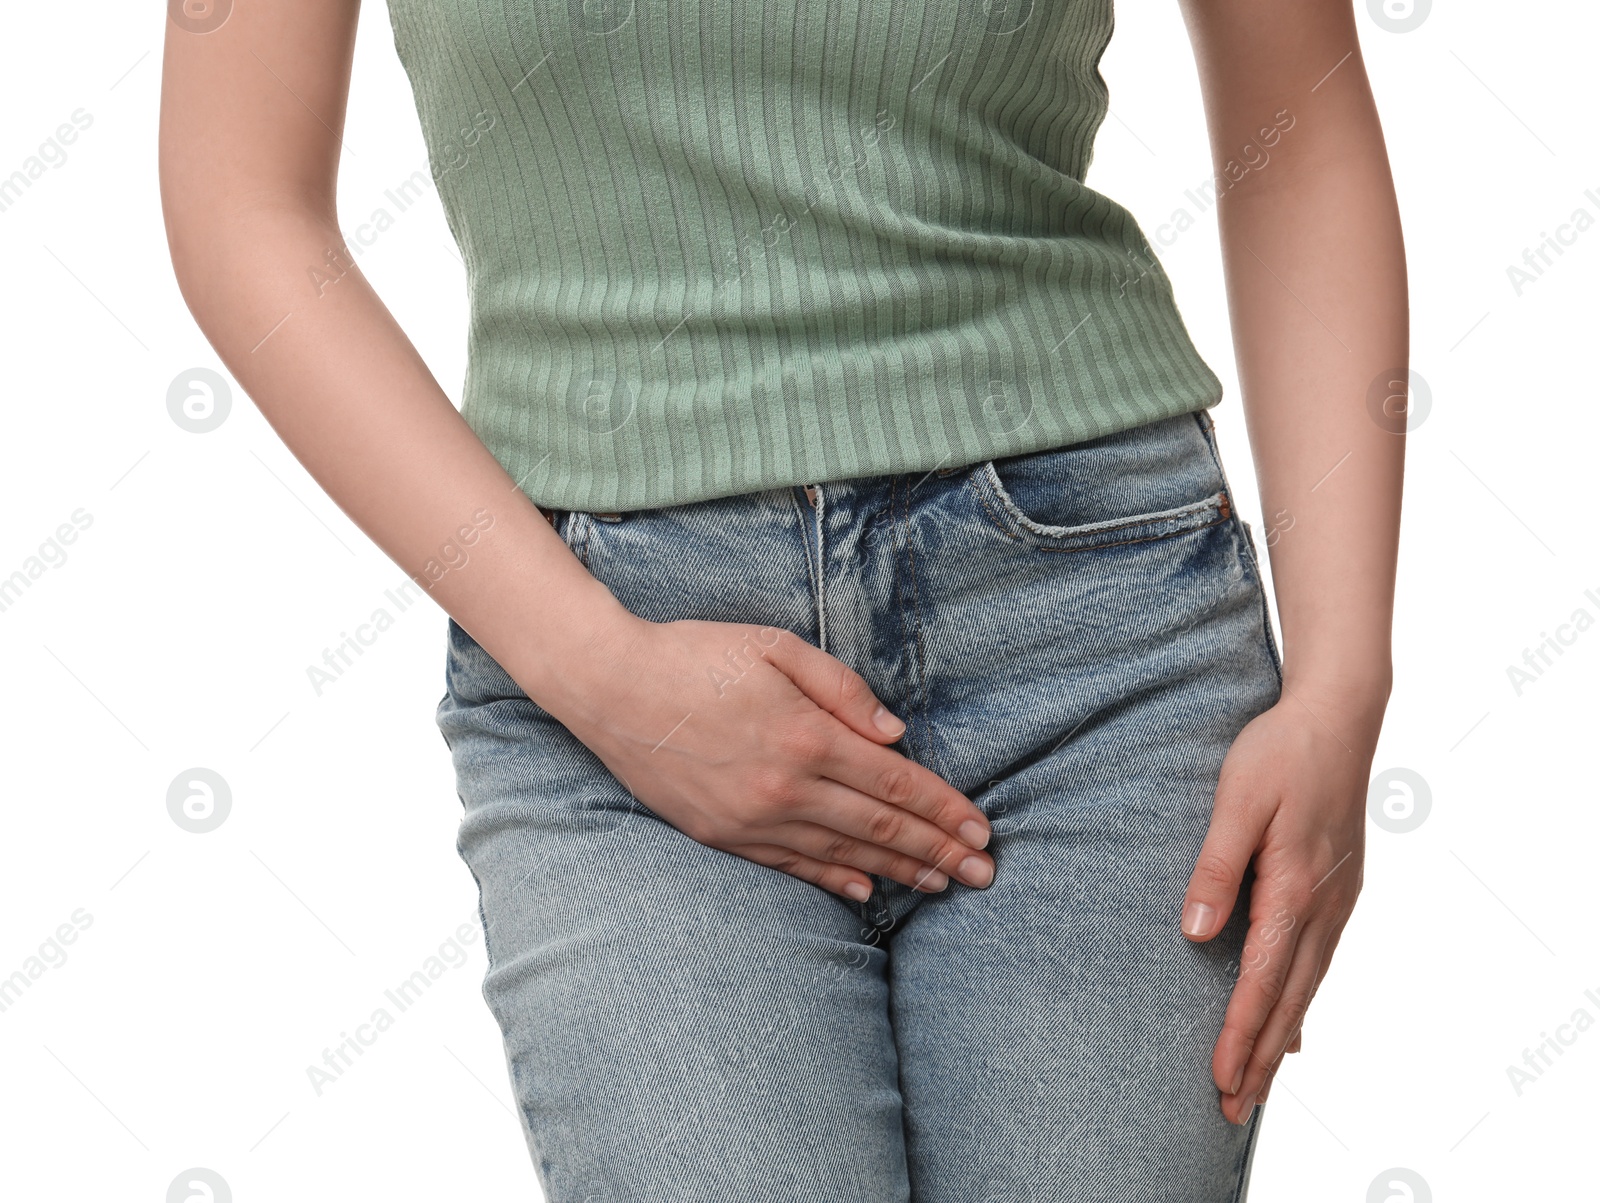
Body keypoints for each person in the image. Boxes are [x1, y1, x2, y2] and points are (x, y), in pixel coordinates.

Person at [160, 0, 1404, 1197]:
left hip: (1094, 651)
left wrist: (1345, 681)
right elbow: (242, 206)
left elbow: (1300, 123)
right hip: (616, 671)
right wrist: (594, 666)